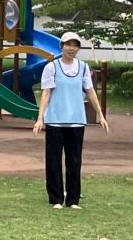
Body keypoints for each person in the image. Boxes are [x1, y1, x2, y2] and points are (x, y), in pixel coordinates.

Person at [32, 31, 109, 209]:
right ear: (62, 46)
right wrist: (40, 118)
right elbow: (46, 93)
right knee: (53, 159)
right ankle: (56, 199)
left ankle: (73, 200)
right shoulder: (52, 67)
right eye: (68, 44)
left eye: (75, 45)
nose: (71, 48)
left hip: (76, 121)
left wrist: (100, 115)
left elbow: (90, 91)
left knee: (74, 160)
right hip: (55, 120)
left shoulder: (82, 67)